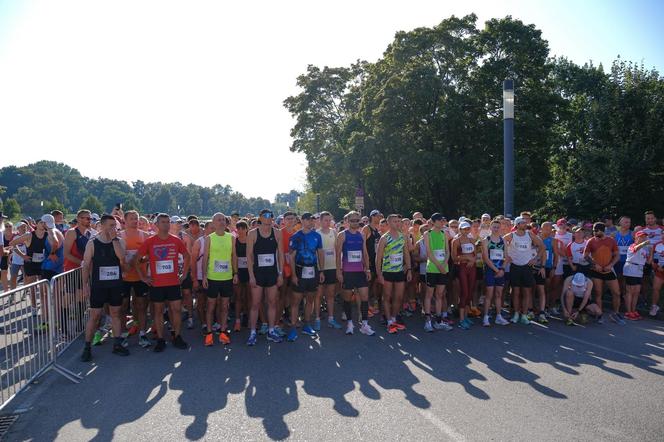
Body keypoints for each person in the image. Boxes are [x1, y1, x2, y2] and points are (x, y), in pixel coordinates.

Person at [134, 213, 190, 352]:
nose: (166, 224)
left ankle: (177, 336)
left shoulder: (176, 240)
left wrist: (184, 274)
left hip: (173, 283)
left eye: (168, 222)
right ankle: (160, 339)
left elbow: (187, 256)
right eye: (163, 222)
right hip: (156, 284)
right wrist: (143, 277)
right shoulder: (150, 241)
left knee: (176, 310)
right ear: (156, 225)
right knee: (158, 312)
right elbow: (137, 259)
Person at [81, 214, 129, 361]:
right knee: (95, 316)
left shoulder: (119, 241)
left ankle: (117, 344)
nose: (113, 228)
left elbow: (121, 257)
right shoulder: (92, 243)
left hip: (115, 285)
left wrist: (114, 239)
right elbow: (86, 265)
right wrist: (85, 285)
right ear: (102, 226)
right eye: (110, 225)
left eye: (115, 225)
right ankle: (87, 347)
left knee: (116, 313)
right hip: (98, 286)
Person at [246, 209, 285, 345]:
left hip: (272, 273)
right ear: (260, 218)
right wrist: (251, 276)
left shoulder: (277, 233)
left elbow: (280, 255)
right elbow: (249, 256)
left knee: (272, 302)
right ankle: (252, 333)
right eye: (266, 216)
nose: (269, 218)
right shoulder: (252, 234)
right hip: (258, 273)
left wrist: (280, 274)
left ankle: (271, 330)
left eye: (271, 216)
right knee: (256, 303)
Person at [336, 211, 375, 336]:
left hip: (360, 271)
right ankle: (349, 324)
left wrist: (367, 269)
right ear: (347, 221)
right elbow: (337, 255)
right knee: (347, 299)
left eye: (357, 220)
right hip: (347, 272)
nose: (355, 223)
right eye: (352, 220)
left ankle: (364, 324)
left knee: (364, 297)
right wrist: (339, 271)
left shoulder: (361, 235)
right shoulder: (342, 235)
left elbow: (365, 253)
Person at [202, 213, 237, 346]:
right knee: (211, 306)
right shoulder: (209, 238)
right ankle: (209, 333)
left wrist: (235, 273)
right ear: (213, 223)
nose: (221, 222)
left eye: (223, 220)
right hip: (212, 277)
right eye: (218, 220)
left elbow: (234, 256)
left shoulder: (232, 238)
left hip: (227, 277)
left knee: (224, 306)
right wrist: (204, 275)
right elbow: (205, 258)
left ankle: (223, 332)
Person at [287, 212, 323, 341]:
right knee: (296, 301)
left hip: (313, 270)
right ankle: (292, 327)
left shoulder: (317, 236)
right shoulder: (296, 236)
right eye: (307, 219)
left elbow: (320, 253)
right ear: (302, 221)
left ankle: (307, 324)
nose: (310, 221)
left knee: (310, 299)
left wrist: (322, 271)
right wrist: (294, 275)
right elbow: (291, 257)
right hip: (299, 270)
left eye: (312, 220)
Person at [504, 216, 546, 325]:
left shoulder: (530, 234)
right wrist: (506, 256)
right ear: (517, 225)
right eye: (522, 223)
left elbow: (542, 246)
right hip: (515, 266)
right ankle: (516, 313)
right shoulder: (511, 235)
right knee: (516, 292)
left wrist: (535, 258)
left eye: (524, 222)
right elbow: (500, 242)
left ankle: (524, 314)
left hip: (527, 267)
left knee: (527, 292)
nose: (524, 224)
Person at [120, 210, 151, 348]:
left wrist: (140, 260)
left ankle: (143, 334)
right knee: (122, 307)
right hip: (124, 277)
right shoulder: (119, 237)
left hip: (141, 277)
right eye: (132, 218)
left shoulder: (145, 236)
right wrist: (125, 264)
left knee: (142, 306)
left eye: (136, 218)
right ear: (125, 221)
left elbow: (150, 255)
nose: (135, 221)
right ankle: (122, 335)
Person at [376, 214, 412, 333]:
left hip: (399, 272)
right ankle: (389, 322)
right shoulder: (384, 238)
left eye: (399, 221)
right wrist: (379, 274)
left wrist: (409, 269)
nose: (398, 223)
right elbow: (378, 257)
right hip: (387, 272)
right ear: (389, 223)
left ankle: (393, 317)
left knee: (399, 297)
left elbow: (406, 253)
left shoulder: (403, 237)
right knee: (387, 296)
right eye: (395, 221)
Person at [583, 222, 623, 324]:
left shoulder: (611, 240)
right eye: (593, 230)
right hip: (596, 271)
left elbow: (617, 255)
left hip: (609, 270)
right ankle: (599, 315)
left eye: (596, 230)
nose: (594, 232)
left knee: (616, 292)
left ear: (603, 230)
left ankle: (616, 313)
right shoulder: (591, 241)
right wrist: (594, 264)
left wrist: (611, 265)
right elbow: (585, 256)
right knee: (598, 293)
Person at [422, 213, 453, 332]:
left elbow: (447, 252)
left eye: (443, 220)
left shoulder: (444, 234)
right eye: (440, 220)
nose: (442, 222)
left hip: (443, 268)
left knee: (440, 295)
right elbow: (429, 253)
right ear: (433, 221)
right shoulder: (427, 234)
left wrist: (444, 264)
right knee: (429, 295)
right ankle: (428, 321)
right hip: (432, 269)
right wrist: (439, 266)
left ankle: (439, 321)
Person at [316, 211, 342, 329]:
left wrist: (338, 267)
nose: (327, 222)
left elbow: (337, 251)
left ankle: (331, 318)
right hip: (320, 268)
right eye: (325, 220)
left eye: (329, 220)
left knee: (330, 294)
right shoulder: (316, 234)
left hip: (332, 267)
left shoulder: (334, 232)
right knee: (319, 295)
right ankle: (317, 319)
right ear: (320, 221)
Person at [481, 219, 509, 326]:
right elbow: (486, 258)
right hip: (490, 270)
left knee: (498, 294)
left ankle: (498, 316)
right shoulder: (486, 240)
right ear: (490, 228)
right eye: (494, 227)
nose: (496, 229)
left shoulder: (503, 240)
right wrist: (497, 270)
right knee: (489, 294)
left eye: (498, 227)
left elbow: (506, 257)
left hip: (500, 270)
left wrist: (502, 269)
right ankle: (486, 317)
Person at [623, 231, 651, 320]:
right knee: (630, 292)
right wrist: (644, 243)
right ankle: (628, 312)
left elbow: (648, 261)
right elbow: (635, 249)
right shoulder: (632, 245)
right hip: (631, 269)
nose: (643, 238)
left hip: (639, 270)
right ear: (636, 238)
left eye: (644, 237)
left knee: (636, 292)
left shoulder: (645, 249)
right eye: (641, 237)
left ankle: (633, 310)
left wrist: (652, 250)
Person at [232, 220, 250, 332]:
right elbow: (233, 257)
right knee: (238, 297)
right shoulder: (235, 241)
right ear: (236, 230)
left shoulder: (251, 240)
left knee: (248, 297)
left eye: (243, 228)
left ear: (247, 229)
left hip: (249, 271)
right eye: (239, 228)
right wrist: (235, 273)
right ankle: (237, 320)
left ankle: (247, 317)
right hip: (238, 271)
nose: (241, 231)